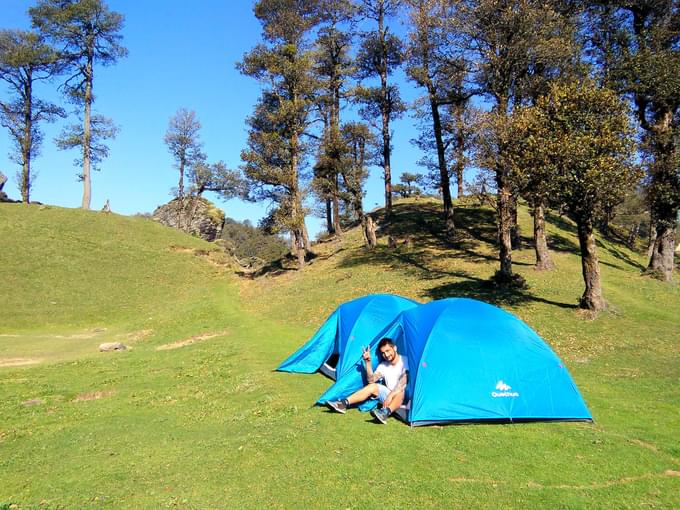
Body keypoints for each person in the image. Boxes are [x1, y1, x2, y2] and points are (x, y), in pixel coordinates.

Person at [327, 338, 408, 424]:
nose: (386, 355)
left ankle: (385, 413)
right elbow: (371, 380)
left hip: (405, 397)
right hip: (389, 396)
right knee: (372, 387)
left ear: (394, 348)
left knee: (401, 392)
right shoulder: (384, 366)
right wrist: (368, 362)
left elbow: (404, 381)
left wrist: (390, 396)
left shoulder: (405, 361)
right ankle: (343, 404)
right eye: (383, 353)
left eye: (388, 351)